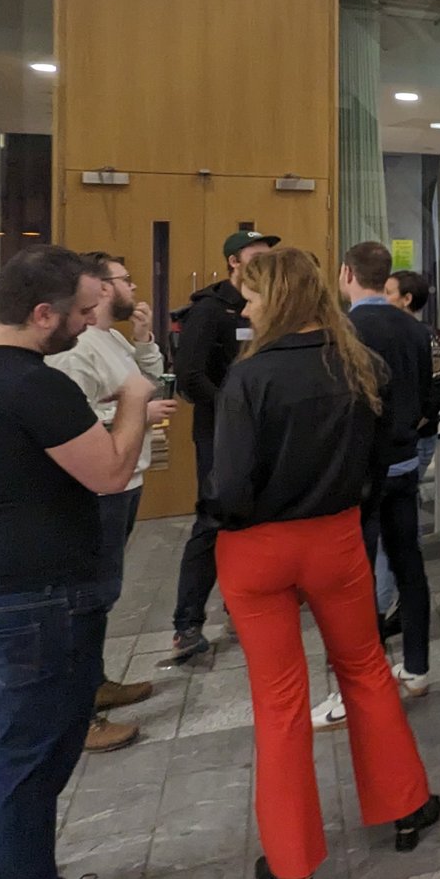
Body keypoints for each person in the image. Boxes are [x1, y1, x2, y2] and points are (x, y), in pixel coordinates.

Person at [0, 245, 168, 879]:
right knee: (32, 758)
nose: (86, 322)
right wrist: (134, 403)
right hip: (40, 600)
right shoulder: (33, 385)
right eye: (77, 312)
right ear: (41, 314)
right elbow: (108, 472)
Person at [210, 249, 440, 879]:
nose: (244, 307)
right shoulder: (359, 365)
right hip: (336, 537)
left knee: (279, 703)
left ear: (275, 300)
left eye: (251, 296)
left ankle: (293, 861)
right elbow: (387, 451)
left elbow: (229, 486)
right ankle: (404, 807)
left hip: (257, 550)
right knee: (365, 670)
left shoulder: (248, 379)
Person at [310, 242, 437, 728]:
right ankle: (419, 667)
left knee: (357, 579)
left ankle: (361, 685)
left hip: (364, 471)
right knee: (409, 564)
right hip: (405, 461)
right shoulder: (416, 328)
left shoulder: (344, 330)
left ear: (346, 273)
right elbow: (428, 393)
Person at [47, 253, 166, 753]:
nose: (133, 287)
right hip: (98, 487)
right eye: (124, 279)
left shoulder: (111, 338)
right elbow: (75, 417)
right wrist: (138, 407)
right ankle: (79, 716)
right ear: (98, 289)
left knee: (103, 595)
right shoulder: (74, 350)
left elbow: (145, 381)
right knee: (86, 599)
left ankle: (95, 681)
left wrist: (144, 342)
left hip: (126, 479)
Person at [170, 228, 278, 664]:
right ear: (235, 261)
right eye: (257, 256)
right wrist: (231, 411)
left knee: (257, 517)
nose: (266, 262)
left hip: (263, 429)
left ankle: (244, 602)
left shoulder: (270, 306)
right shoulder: (210, 311)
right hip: (220, 431)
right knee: (214, 518)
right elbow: (190, 377)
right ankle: (187, 623)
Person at [375, 270, 440, 636]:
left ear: (407, 299)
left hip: (414, 440)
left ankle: (393, 602)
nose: (382, 297)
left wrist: (411, 424)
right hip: (397, 440)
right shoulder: (383, 333)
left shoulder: (426, 336)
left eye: (388, 292)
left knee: (397, 526)